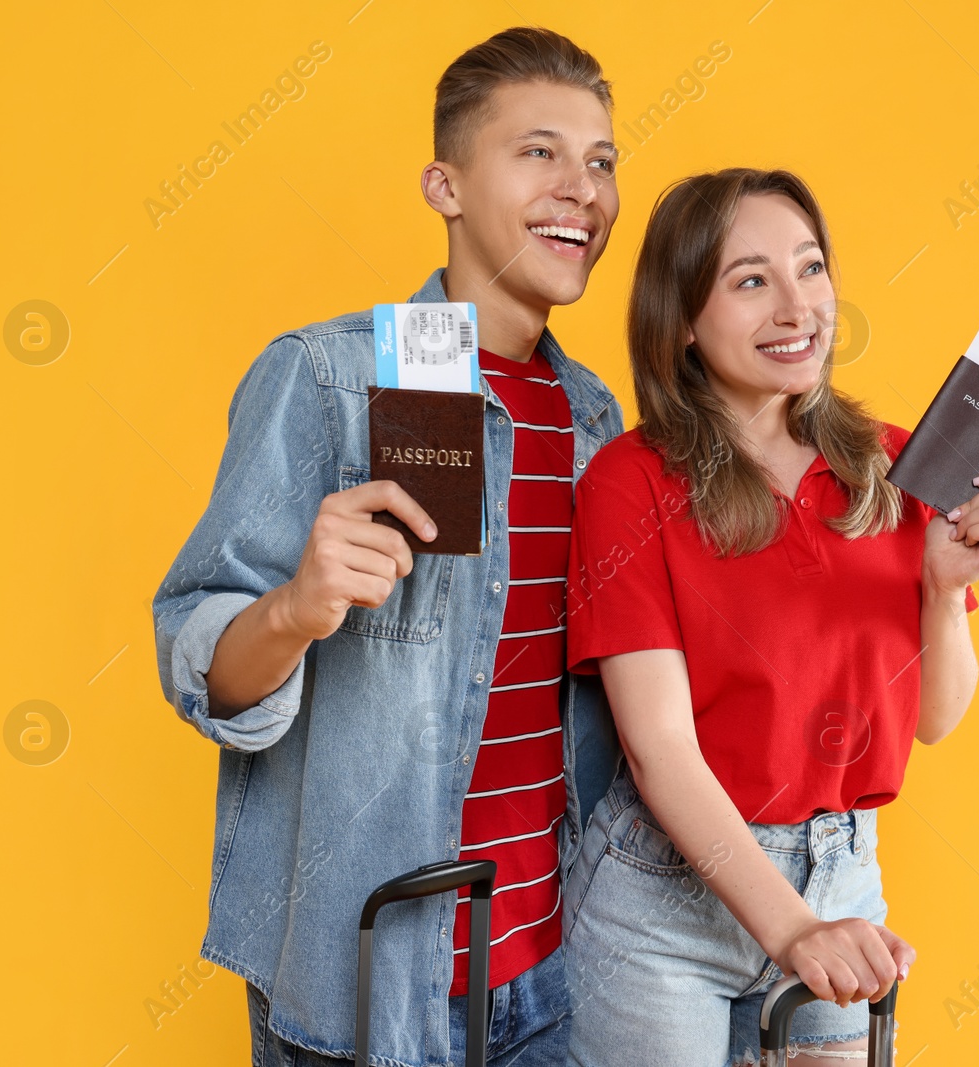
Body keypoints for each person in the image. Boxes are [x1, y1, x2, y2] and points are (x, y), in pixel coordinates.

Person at [151, 27, 626, 1066]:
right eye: (538, 153)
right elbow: (198, 657)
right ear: (444, 185)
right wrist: (292, 608)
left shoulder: (597, 424)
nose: (581, 191)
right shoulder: (324, 380)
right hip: (367, 981)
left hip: (557, 973)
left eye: (601, 162)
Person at [560, 168, 979, 1064]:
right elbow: (658, 748)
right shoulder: (631, 482)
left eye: (810, 269)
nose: (797, 306)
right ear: (683, 320)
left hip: (842, 871)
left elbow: (933, 718)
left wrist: (941, 589)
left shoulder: (894, 464)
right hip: (665, 894)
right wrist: (791, 930)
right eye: (751, 280)